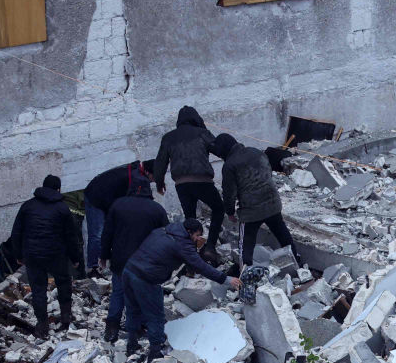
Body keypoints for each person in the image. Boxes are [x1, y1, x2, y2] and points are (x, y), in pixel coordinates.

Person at [122, 218, 241, 361]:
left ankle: (132, 344)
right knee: (155, 315)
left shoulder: (164, 230)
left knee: (133, 308)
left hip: (129, 270)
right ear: (189, 232)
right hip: (146, 279)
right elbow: (200, 265)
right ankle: (155, 351)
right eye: (197, 236)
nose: (198, 239)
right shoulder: (183, 244)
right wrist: (226, 279)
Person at [211, 133, 303, 271]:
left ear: (223, 150)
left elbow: (229, 192)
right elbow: (268, 174)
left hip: (251, 211)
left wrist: (230, 212)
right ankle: (299, 264)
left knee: (246, 245)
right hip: (273, 203)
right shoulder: (256, 152)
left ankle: (245, 275)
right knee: (283, 235)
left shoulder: (229, 165)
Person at [9, 174, 81, 338]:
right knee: (63, 283)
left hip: (33, 255)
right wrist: (75, 258)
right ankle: (65, 319)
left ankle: (42, 326)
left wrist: (18, 254)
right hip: (56, 254)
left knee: (38, 289)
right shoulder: (62, 208)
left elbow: (16, 232)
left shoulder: (27, 206)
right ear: (58, 189)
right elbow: (71, 236)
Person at [99, 176, 168, 343]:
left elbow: (107, 233)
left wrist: (104, 255)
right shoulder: (156, 209)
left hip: (121, 260)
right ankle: (141, 327)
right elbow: (166, 237)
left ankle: (112, 327)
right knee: (144, 294)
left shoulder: (117, 206)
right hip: (146, 263)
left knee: (119, 293)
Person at [153, 107, 223, 262]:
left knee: (190, 218)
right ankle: (210, 247)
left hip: (181, 184)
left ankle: (190, 254)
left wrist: (159, 182)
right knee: (218, 209)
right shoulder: (202, 133)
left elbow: (160, 162)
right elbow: (219, 149)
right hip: (202, 180)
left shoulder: (168, 137)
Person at [81, 159, 155, 277]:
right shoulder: (136, 177)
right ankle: (93, 268)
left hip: (109, 198)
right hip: (96, 197)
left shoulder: (136, 173)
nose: (153, 181)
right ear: (147, 172)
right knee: (97, 234)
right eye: (153, 178)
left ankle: (109, 264)